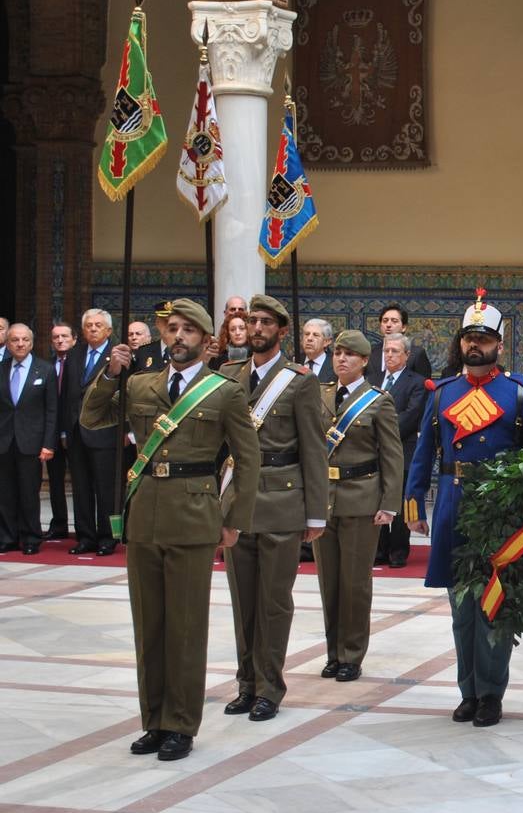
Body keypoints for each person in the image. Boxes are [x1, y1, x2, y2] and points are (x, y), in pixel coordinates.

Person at [81, 298, 260, 761]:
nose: (176, 337)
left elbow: (248, 459)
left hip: (194, 514)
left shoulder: (223, 390)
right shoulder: (140, 383)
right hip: (144, 515)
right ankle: (154, 720)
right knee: (150, 625)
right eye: (170, 329)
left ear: (204, 340)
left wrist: (234, 519)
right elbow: (92, 417)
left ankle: (181, 723)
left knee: (184, 625)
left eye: (186, 330)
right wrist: (109, 374)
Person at [405, 291, 523, 728]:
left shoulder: (519, 394)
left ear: (499, 345)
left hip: (500, 512)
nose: (475, 345)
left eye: (484, 338)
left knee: (494, 603)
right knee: (460, 606)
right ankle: (467, 690)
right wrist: (414, 501)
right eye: (469, 337)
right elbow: (424, 452)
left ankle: (490, 693)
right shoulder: (442, 392)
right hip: (453, 501)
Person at [218, 295, 328, 722]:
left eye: (265, 322)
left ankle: (270, 687)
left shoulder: (299, 381)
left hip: (282, 500)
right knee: (242, 598)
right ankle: (246, 683)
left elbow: (315, 450)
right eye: (251, 321)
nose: (256, 328)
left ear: (281, 331)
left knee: (273, 600)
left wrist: (315, 513)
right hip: (236, 501)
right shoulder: (229, 377)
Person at [315, 330, 403, 682]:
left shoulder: (378, 401)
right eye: (337, 353)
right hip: (324, 499)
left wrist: (390, 503)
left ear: (365, 361)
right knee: (329, 582)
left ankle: (352, 654)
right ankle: (333, 652)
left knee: (354, 583)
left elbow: (392, 455)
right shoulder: (320, 396)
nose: (342, 359)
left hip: (361, 496)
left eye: (351, 354)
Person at [65, 308, 120, 556]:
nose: (93, 329)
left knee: (105, 488)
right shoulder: (74, 355)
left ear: (109, 330)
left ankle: (107, 537)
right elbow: (67, 394)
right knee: (81, 487)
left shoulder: (117, 354)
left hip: (104, 433)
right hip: (76, 432)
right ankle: (85, 536)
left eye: (98, 325)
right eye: (89, 325)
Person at [0, 324, 58, 555]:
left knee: (29, 493)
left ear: (32, 343)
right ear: (8, 342)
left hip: (32, 442)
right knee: (4, 493)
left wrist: (48, 443)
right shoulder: (1, 367)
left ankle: (31, 537)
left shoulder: (44, 369)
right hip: (4, 441)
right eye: (15, 340)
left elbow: (52, 410)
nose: (20, 344)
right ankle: (7, 537)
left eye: (25, 340)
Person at [375, 333, 427, 568]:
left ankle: (398, 551)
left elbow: (411, 415)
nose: (389, 355)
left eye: (395, 351)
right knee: (376, 499)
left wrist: (380, 428)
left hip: (403, 450)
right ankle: (379, 549)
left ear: (407, 355)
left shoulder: (416, 382)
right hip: (374, 450)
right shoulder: (373, 379)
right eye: (387, 350)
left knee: (398, 501)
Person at [44, 322, 75, 540]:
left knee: (82, 482)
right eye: (56, 337)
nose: (60, 340)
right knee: (55, 481)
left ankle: (85, 525)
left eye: (64, 336)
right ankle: (58, 524)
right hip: (52, 433)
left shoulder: (80, 364)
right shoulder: (46, 366)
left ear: (74, 339)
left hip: (75, 433)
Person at [367, 303, 432, 383]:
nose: (388, 325)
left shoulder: (417, 353)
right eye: (385, 321)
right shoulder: (370, 351)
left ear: (403, 327)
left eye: (394, 321)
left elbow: (423, 385)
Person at [131, 301, 173, 373]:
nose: (168, 325)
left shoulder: (187, 351)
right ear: (157, 323)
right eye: (165, 321)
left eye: (173, 322)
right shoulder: (143, 352)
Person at [300, 318, 336, 383]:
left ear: (327, 341)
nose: (309, 338)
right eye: (307, 334)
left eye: (316, 335)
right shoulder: (293, 361)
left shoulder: (336, 364)